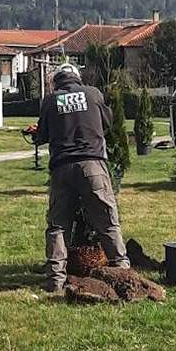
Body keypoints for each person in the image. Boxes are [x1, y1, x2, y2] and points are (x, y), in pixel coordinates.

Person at [34, 63, 130, 292]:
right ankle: (124, 272)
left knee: (58, 226)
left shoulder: (50, 101)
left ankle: (55, 280)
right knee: (107, 221)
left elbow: (42, 136)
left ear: (56, 81)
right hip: (93, 165)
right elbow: (107, 123)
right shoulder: (93, 93)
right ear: (77, 78)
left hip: (62, 168)